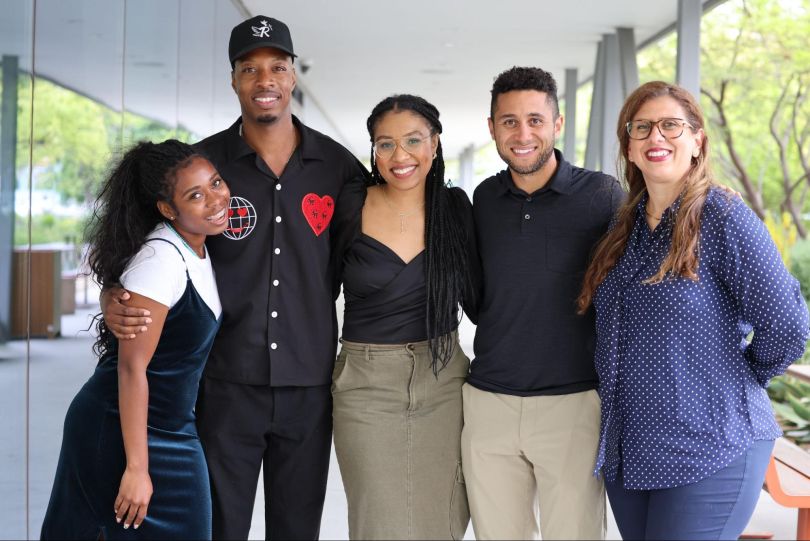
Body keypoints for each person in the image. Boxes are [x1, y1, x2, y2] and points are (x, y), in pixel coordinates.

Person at [101, 15, 367, 539]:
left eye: (276, 67)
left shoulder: (338, 168)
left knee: (297, 528)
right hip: (223, 384)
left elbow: (359, 260)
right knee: (221, 527)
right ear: (233, 79)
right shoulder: (205, 167)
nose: (264, 80)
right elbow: (143, 241)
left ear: (293, 76)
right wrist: (114, 290)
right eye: (250, 69)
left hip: (308, 386)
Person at [577, 80, 810, 540]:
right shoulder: (622, 227)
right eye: (641, 128)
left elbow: (787, 325)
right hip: (633, 451)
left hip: (710, 447)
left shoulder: (723, 217)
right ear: (628, 144)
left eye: (671, 126)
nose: (655, 138)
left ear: (697, 139)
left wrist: (734, 381)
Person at [461, 66, 624, 540]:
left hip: (572, 404)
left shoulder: (602, 196)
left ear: (558, 123)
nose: (523, 133)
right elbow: (481, 296)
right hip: (490, 399)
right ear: (491, 128)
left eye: (535, 119)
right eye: (509, 121)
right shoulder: (484, 198)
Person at [40, 140, 230, 538]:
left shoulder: (197, 246)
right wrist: (137, 468)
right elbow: (131, 368)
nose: (215, 199)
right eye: (196, 195)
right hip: (123, 431)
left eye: (215, 183)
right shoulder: (161, 260)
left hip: (171, 428)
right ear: (167, 208)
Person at [330, 94, 479, 540]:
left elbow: (482, 295)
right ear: (373, 151)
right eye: (385, 144)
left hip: (444, 379)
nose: (400, 156)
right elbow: (311, 288)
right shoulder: (351, 204)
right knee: (379, 521)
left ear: (434, 144)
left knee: (445, 518)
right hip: (365, 385)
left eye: (413, 140)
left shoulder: (455, 208)